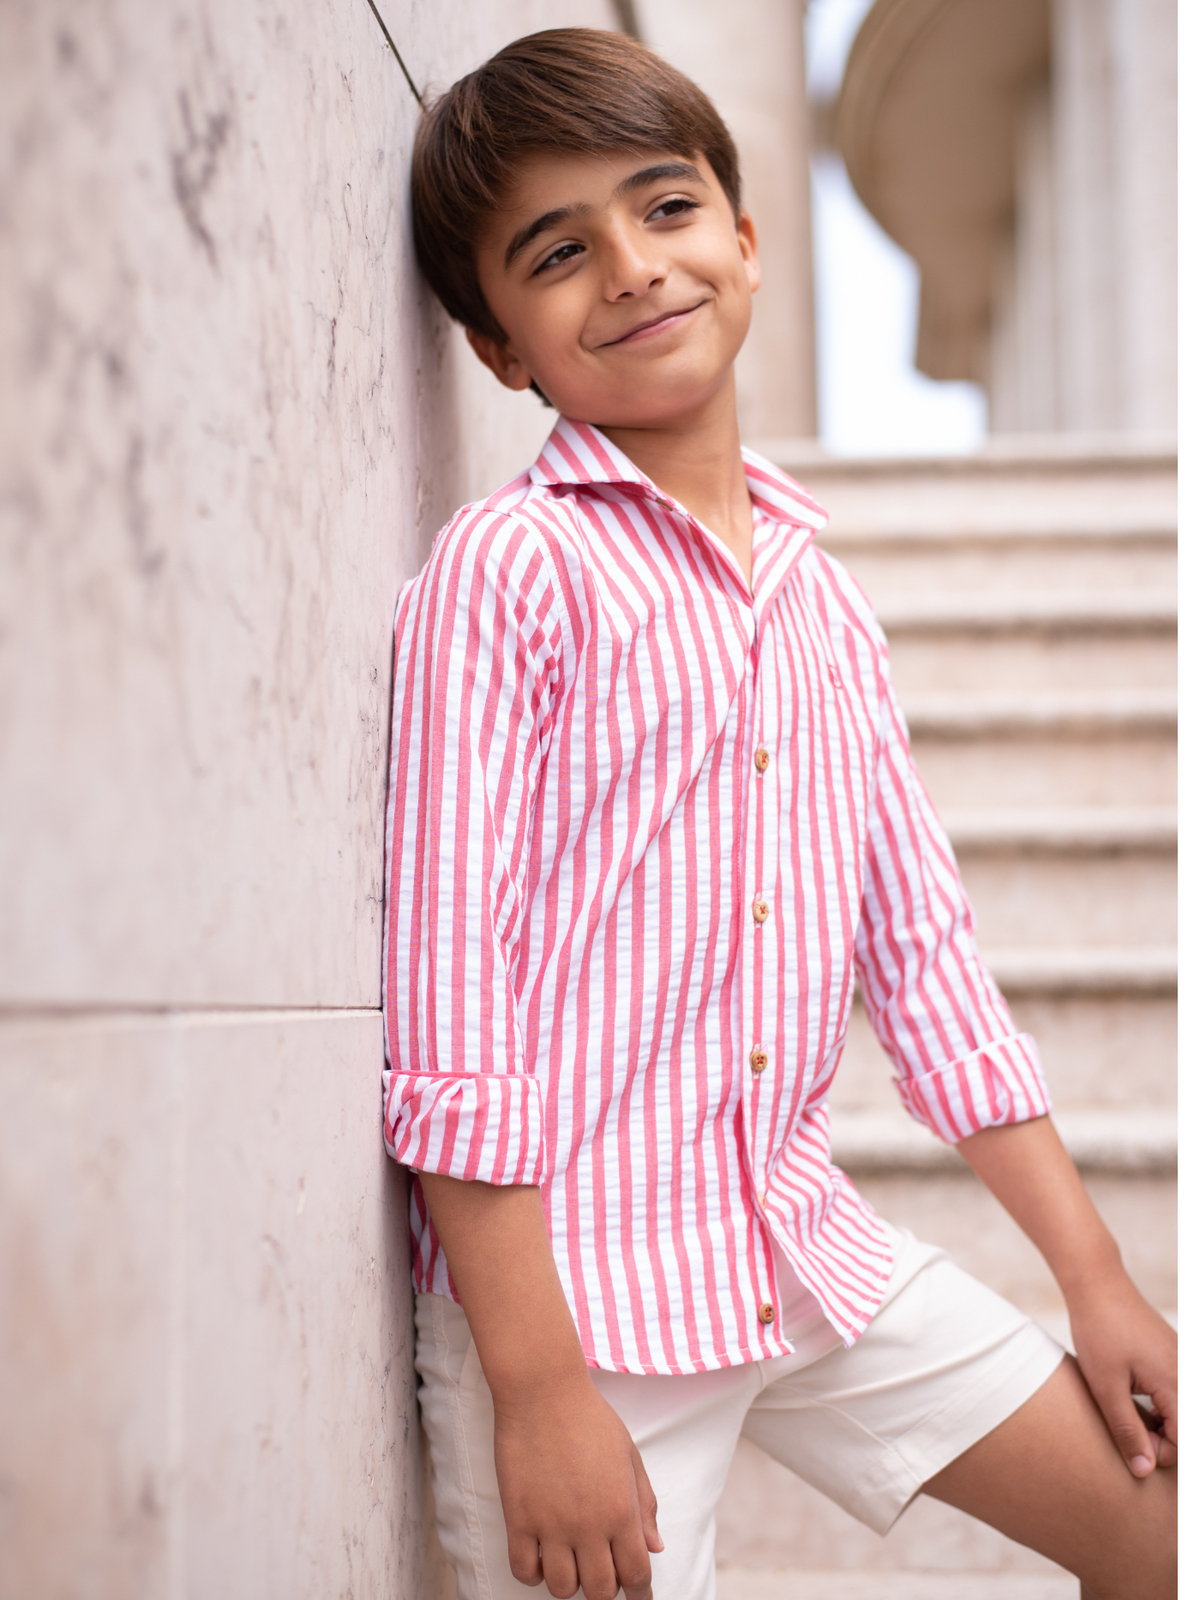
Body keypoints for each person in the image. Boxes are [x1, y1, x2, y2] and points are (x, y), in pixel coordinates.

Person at [381, 28, 1176, 1600]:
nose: (631, 268)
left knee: (1162, 1530)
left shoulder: (820, 601)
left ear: (745, 243)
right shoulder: (509, 574)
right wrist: (538, 1390)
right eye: (558, 252)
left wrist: (1098, 1282)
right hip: (577, 1311)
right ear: (498, 349)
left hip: (800, 1253)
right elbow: (453, 1027)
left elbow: (928, 968)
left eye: (664, 210)